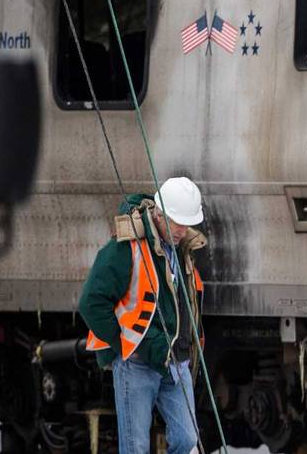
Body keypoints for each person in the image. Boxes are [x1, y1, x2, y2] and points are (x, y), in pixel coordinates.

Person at [78, 177, 208, 454]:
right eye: (176, 222)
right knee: (135, 447)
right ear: (159, 214)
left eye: (187, 223)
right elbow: (91, 302)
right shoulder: (124, 248)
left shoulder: (183, 247)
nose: (182, 230)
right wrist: (123, 343)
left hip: (175, 362)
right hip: (136, 364)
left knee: (187, 441)